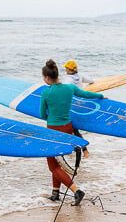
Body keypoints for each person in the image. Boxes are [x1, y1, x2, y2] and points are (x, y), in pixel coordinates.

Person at [39, 59, 103, 205]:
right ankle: (55, 193)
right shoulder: (69, 88)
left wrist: (51, 112)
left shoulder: (46, 93)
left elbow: (43, 115)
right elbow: (85, 94)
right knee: (58, 162)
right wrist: (101, 96)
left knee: (53, 165)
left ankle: (76, 191)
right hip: (68, 129)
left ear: (48, 78)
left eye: (43, 77)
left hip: (54, 131)